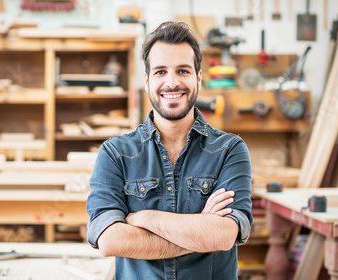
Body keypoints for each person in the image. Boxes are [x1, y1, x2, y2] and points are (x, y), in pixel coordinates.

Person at [86, 21, 253, 280]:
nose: (172, 83)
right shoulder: (115, 154)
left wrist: (142, 218)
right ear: (147, 80)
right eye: (161, 71)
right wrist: (200, 233)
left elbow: (222, 236)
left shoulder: (230, 150)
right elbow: (110, 240)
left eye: (183, 71)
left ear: (198, 78)